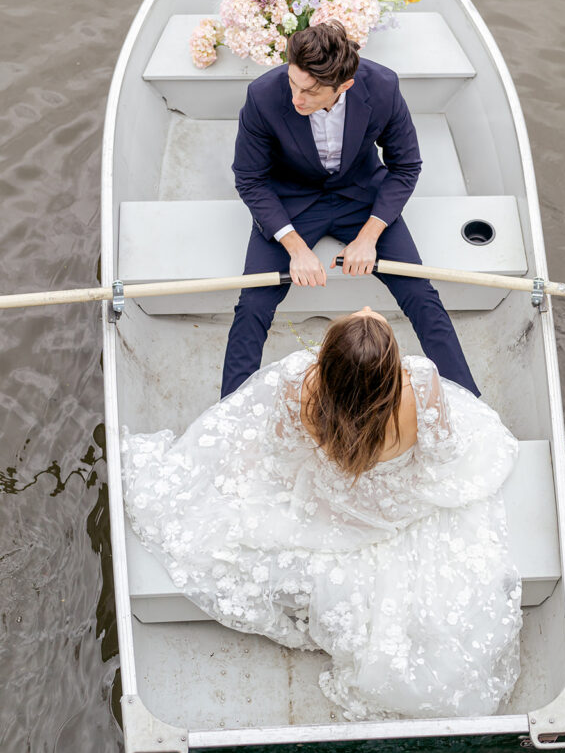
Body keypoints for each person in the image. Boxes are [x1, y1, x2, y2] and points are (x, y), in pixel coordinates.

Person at [123, 309, 522, 721]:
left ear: (328, 362)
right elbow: (442, 453)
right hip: (396, 503)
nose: (367, 310)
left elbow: (281, 454)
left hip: (335, 501)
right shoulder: (420, 383)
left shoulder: (301, 383)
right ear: (388, 373)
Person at [221, 20, 479, 399]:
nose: (296, 98)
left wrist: (369, 237)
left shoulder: (384, 86)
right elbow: (250, 178)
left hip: (361, 199)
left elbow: (405, 166)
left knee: (421, 295)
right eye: (293, 83)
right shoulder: (262, 94)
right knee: (252, 305)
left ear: (344, 85)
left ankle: (471, 401)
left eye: (309, 91)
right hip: (290, 201)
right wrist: (294, 247)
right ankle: (228, 413)